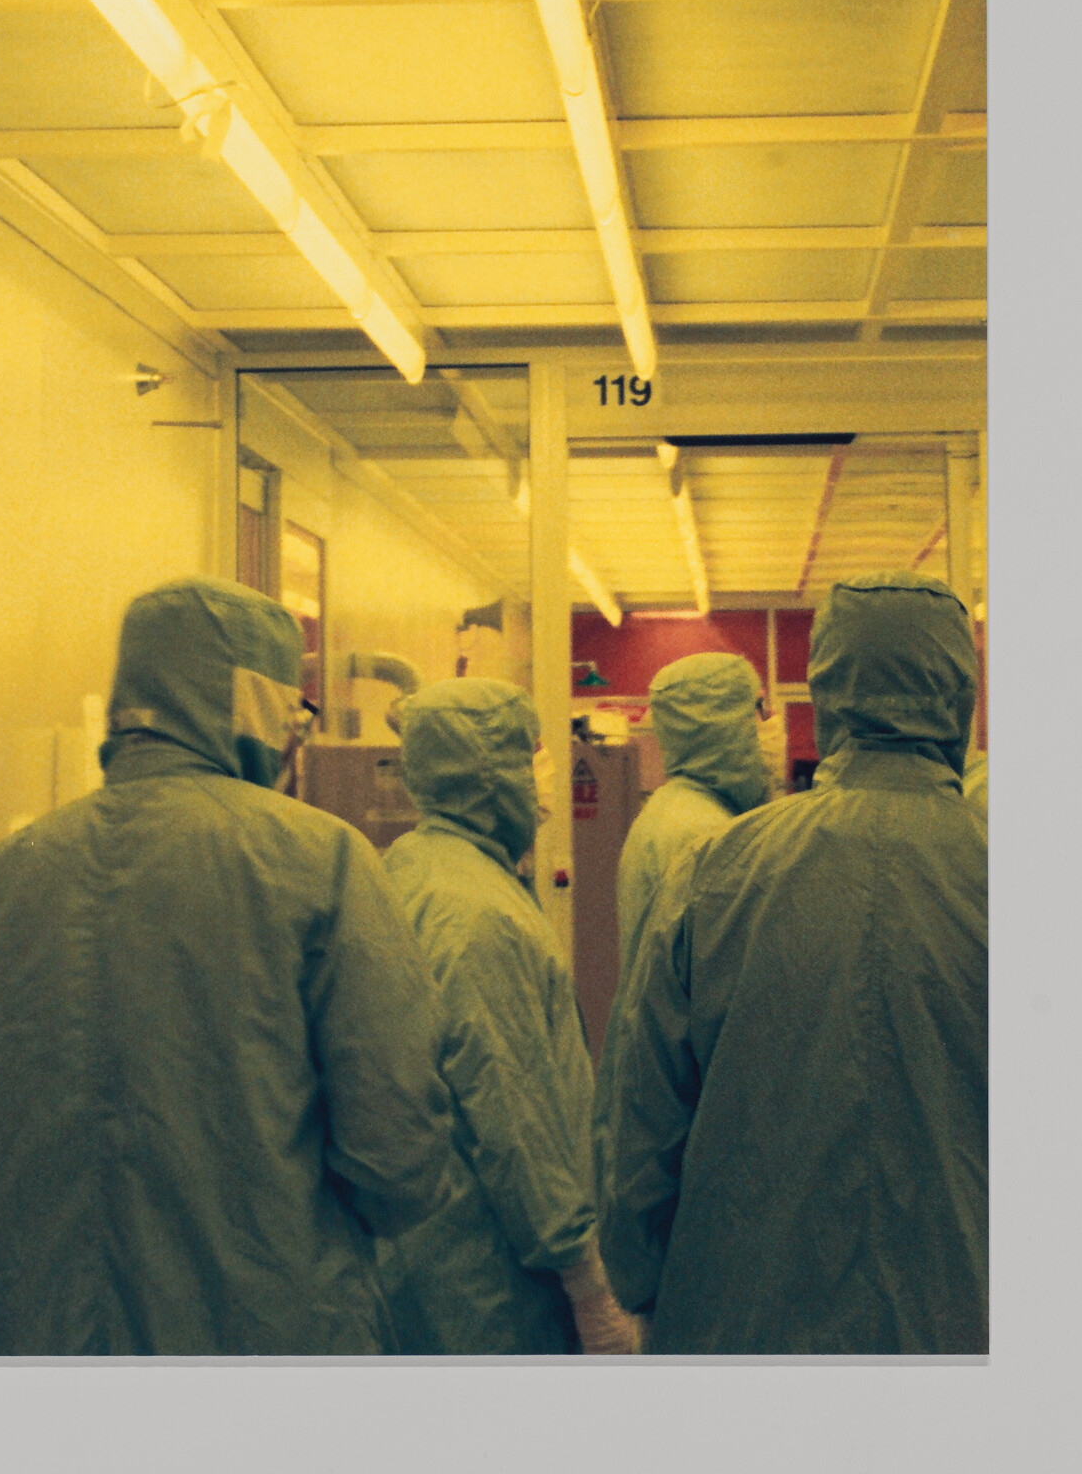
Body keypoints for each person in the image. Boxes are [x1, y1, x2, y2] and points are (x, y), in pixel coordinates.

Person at [0, 578, 455, 1355]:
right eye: (293, 713)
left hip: (32, 1344)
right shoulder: (320, 863)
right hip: (260, 1343)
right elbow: (395, 1153)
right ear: (260, 705)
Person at [598, 573, 988, 1354]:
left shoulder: (717, 873)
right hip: (964, 1318)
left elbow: (642, 1121)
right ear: (960, 696)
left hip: (741, 1318)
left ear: (827, 693)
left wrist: (639, 1282)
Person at [375, 677, 641, 1355]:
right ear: (487, 772)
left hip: (433, 1253)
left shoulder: (419, 869)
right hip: (487, 1276)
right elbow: (514, 1112)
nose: (545, 772)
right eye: (532, 755)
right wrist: (584, 1279)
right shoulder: (476, 915)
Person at [614, 652, 772, 982]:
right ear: (725, 725)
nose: (771, 726)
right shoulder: (706, 833)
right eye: (759, 712)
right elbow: (727, 984)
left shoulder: (673, 808)